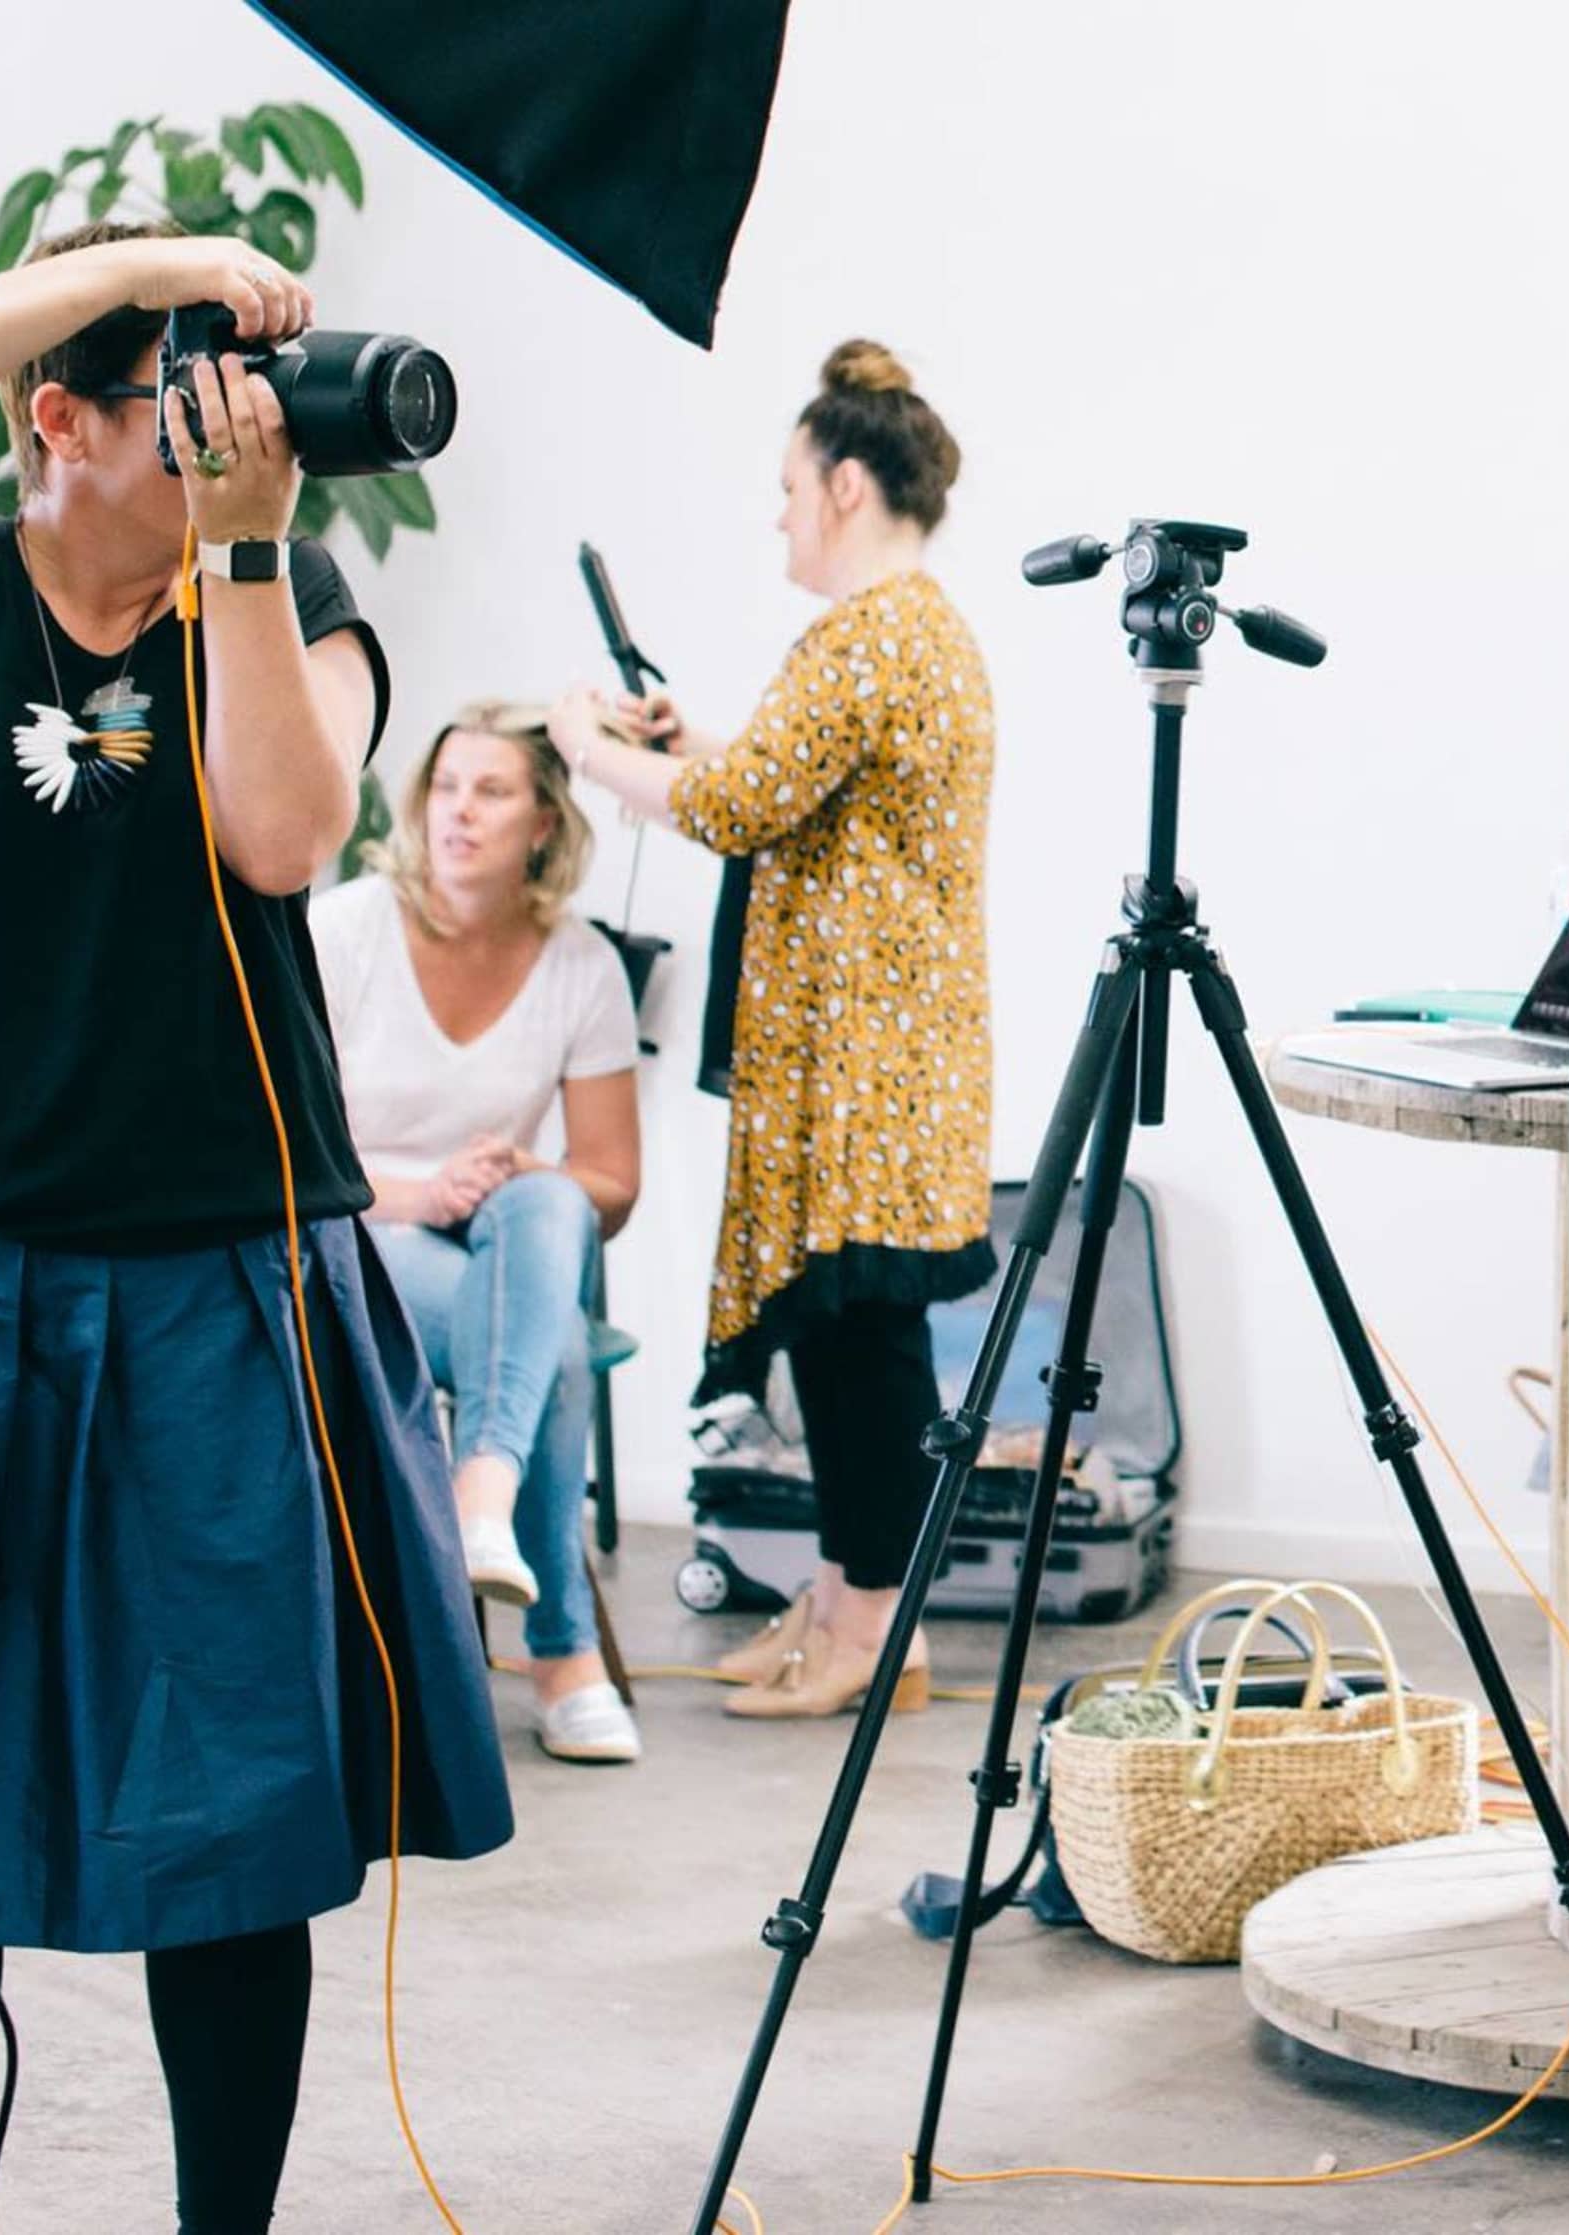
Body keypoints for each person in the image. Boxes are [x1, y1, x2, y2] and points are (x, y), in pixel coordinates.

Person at [0, 218, 511, 2235]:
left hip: (219, 1280)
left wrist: (242, 552)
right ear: (54, 416)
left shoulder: (286, 591)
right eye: (186, 396)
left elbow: (284, 836)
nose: (242, 428)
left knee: (235, 1828)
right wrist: (140, 259)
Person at [554, 339, 995, 1720]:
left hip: (868, 1066)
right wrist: (686, 743)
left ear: (848, 486)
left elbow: (739, 807)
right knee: (845, 1342)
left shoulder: (874, 635)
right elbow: (777, 782)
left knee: (862, 1349)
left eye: (792, 488)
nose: (780, 515)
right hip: (871, 1060)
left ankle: (873, 1631)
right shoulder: (907, 633)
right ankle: (846, 1605)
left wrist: (588, 749)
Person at [316, 703, 648, 1765]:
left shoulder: (582, 966)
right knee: (556, 1349)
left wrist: (516, 1172)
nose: (459, 811)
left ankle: (484, 1490)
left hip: (499, 1248)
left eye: (492, 791)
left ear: (544, 822)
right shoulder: (345, 931)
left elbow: (610, 1186)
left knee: (550, 1204)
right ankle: (562, 1654)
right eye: (446, 787)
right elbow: (278, 1152)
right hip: (354, 1234)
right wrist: (424, 1193)